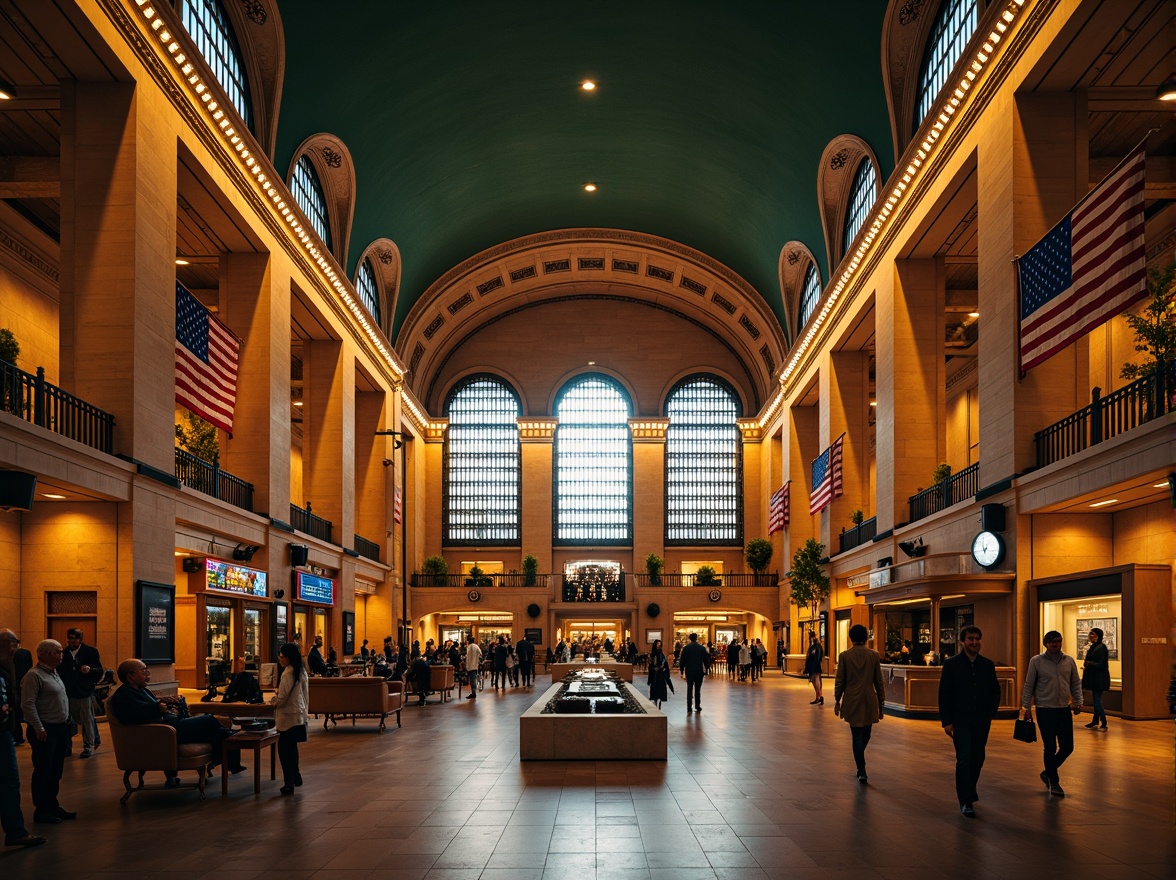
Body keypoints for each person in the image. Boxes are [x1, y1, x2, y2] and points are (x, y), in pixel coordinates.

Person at [109, 659, 244, 785]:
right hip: (165, 731)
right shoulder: (123, 695)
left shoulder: (140, 690)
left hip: (170, 726)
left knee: (217, 732)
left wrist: (165, 702)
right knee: (209, 720)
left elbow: (147, 705)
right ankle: (229, 747)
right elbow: (134, 713)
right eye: (143, 671)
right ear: (130, 676)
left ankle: (228, 752)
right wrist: (158, 707)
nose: (147, 674)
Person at [937, 625, 1001, 818]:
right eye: (970, 639)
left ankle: (969, 790)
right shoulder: (952, 665)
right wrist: (947, 721)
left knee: (978, 758)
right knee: (964, 758)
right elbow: (944, 694)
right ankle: (966, 800)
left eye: (977, 639)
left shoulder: (987, 665)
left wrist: (990, 712)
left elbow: (995, 690)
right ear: (962, 642)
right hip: (960, 719)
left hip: (981, 720)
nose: (974, 642)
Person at [20, 640, 76, 824]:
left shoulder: (53, 672)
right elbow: (28, 704)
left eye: (61, 652)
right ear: (44, 654)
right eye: (57, 652)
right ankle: (42, 810)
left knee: (56, 770)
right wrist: (39, 727)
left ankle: (53, 804)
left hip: (60, 728)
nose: (61, 655)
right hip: (45, 729)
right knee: (43, 770)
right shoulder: (33, 675)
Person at [1021, 630, 1082, 798]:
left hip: (1064, 709)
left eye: (1057, 641)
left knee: (1068, 747)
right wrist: (1026, 707)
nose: (1054, 644)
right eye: (1051, 642)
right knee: (1050, 746)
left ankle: (1048, 771)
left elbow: (1075, 682)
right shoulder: (1037, 661)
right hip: (1045, 709)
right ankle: (1054, 781)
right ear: (1045, 644)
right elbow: (1029, 685)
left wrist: (1078, 701)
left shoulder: (1068, 661)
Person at [0, 630, 46, 847]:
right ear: (8, 644)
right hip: (2, 732)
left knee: (10, 782)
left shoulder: (10, 664)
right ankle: (15, 830)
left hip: (5, 730)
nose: (17, 648)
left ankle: (15, 830)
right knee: (8, 781)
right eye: (15, 643)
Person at [833, 625, 885, 784]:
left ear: (851, 638)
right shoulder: (874, 655)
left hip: (852, 699)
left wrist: (837, 700)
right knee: (866, 733)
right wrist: (881, 702)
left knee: (856, 735)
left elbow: (840, 680)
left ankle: (860, 765)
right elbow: (879, 681)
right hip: (869, 698)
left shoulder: (844, 656)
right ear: (866, 638)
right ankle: (861, 767)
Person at [271, 643, 309, 795]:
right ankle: (295, 775)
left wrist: (273, 701)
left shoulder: (288, 673)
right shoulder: (301, 671)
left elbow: (282, 698)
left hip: (287, 716)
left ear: (288, 657)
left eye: (282, 656)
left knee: (285, 750)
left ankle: (288, 783)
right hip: (298, 714)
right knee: (292, 747)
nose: (280, 658)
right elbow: (306, 695)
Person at [58, 627, 102, 758]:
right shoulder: (63, 653)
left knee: (86, 719)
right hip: (67, 692)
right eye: (69, 638)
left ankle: (88, 745)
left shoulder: (90, 652)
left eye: (75, 639)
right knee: (66, 719)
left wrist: (90, 671)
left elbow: (99, 670)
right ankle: (67, 747)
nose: (71, 642)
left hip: (83, 691)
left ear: (80, 639)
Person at [1082, 627, 1110, 731]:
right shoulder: (1094, 647)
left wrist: (1090, 663)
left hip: (1099, 678)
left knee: (1097, 700)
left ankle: (1104, 722)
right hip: (1095, 677)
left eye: (1092, 634)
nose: (1090, 635)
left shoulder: (1101, 648)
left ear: (1097, 636)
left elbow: (1102, 664)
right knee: (1096, 699)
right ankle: (1095, 721)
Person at [679, 633, 709, 713]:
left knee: (689, 688)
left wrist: (681, 669)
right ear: (696, 638)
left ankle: (689, 706)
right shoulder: (701, 648)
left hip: (689, 671)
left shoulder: (686, 648)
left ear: (689, 638)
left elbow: (682, 660)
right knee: (697, 689)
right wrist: (707, 668)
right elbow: (706, 659)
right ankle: (697, 705)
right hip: (699, 671)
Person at [647, 639, 673, 708]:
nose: (659, 645)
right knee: (654, 688)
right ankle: (655, 701)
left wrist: (662, 667)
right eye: (657, 643)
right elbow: (650, 663)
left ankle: (659, 703)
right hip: (654, 674)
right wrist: (653, 667)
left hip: (660, 674)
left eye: (660, 644)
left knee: (660, 688)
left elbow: (664, 663)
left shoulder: (662, 654)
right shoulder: (652, 654)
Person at [804, 631, 825, 705]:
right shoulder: (816, 646)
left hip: (815, 665)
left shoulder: (816, 646)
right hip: (815, 665)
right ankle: (819, 696)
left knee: (815, 680)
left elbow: (816, 656)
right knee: (817, 680)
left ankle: (819, 696)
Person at [464, 635, 483, 700]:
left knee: (472, 679)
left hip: (470, 665)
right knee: (473, 679)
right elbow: (480, 654)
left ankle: (473, 692)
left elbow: (468, 657)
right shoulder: (476, 646)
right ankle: (473, 692)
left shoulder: (469, 647)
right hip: (475, 665)